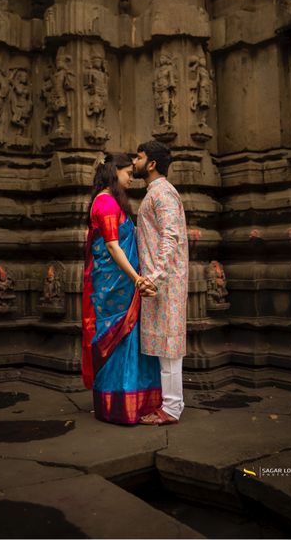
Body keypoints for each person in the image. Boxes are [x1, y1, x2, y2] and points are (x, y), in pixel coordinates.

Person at [82, 153, 162, 424]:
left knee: (129, 338)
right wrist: (136, 278)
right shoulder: (105, 203)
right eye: (127, 172)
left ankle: (132, 402)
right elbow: (112, 246)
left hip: (122, 283)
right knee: (121, 339)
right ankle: (119, 407)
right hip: (115, 287)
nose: (131, 177)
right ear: (114, 172)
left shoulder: (111, 202)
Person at [133, 140, 189, 425]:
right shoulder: (155, 193)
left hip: (164, 281)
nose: (134, 161)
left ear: (151, 164)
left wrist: (154, 277)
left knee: (170, 348)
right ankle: (168, 404)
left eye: (139, 157)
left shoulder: (163, 193)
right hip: (160, 281)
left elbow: (171, 236)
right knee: (165, 346)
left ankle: (172, 408)